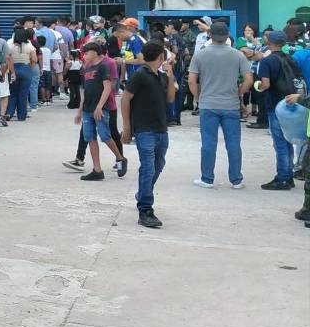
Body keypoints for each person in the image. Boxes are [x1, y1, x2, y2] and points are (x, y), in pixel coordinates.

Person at [188, 22, 252, 189]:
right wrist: (238, 93)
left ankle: (207, 178)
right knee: (233, 143)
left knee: (208, 143)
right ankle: (236, 180)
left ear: (209, 35)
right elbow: (249, 80)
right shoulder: (238, 55)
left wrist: (199, 98)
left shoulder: (200, 55)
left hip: (208, 104)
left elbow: (192, 81)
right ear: (228, 35)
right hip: (231, 105)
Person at [121, 41, 177, 229]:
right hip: (144, 129)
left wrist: (170, 77)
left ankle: (143, 193)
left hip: (161, 129)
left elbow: (170, 99)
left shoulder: (160, 76)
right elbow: (125, 99)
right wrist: (127, 127)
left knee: (158, 164)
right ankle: (145, 209)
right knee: (148, 167)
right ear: (161, 57)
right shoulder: (140, 75)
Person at [74, 43, 128, 181]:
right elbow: (85, 92)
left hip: (100, 109)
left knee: (105, 136)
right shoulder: (86, 69)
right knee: (90, 137)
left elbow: (107, 87)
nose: (84, 56)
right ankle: (97, 169)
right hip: (87, 109)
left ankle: (120, 158)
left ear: (96, 53)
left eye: (87, 53)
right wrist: (80, 111)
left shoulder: (103, 67)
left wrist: (99, 106)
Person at [256, 30, 300, 190]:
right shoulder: (290, 58)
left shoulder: (267, 61)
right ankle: (288, 175)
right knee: (288, 141)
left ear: (269, 43)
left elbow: (265, 84)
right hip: (291, 103)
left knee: (280, 143)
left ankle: (282, 177)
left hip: (275, 104)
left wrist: (257, 86)